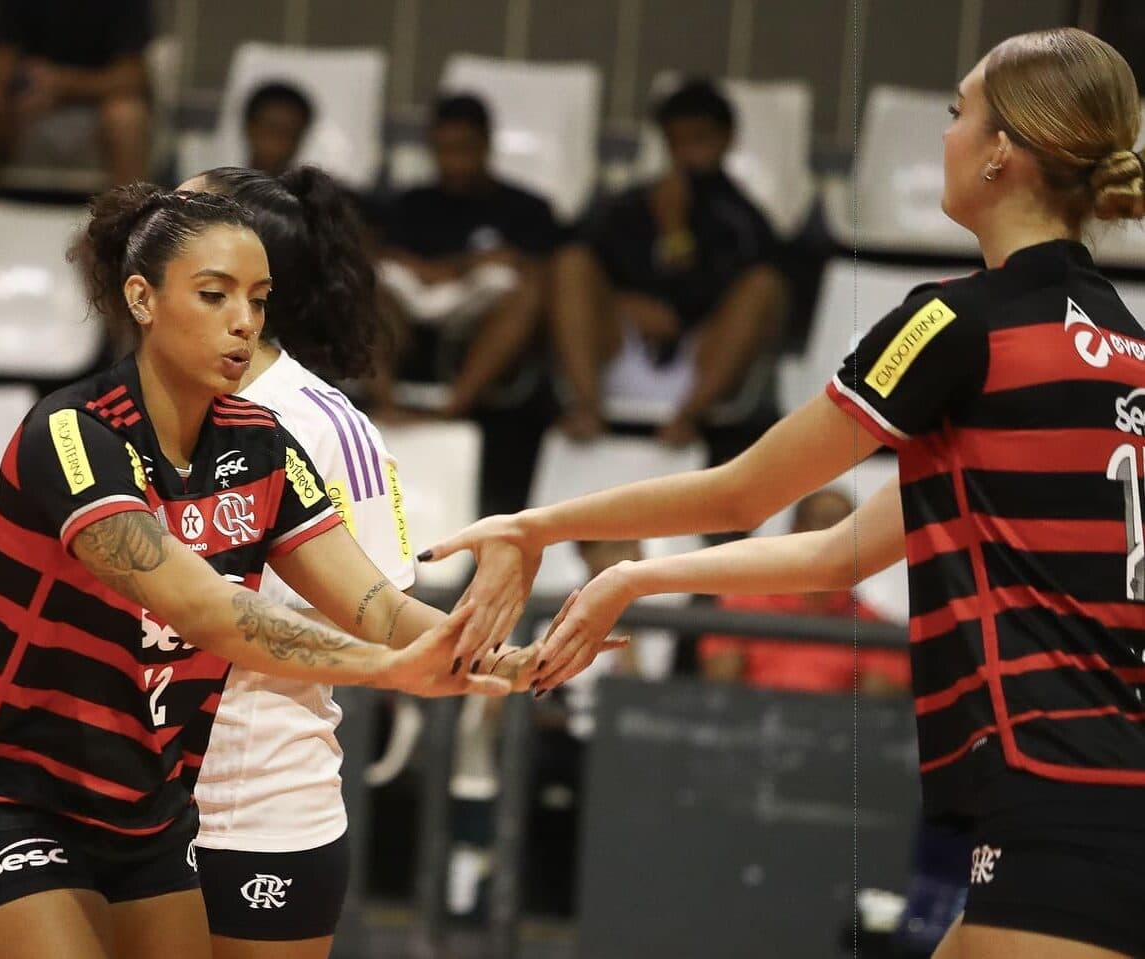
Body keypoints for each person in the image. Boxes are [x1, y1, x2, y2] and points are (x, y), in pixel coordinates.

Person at [424, 28, 1145, 958]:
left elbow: (743, 491)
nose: (947, 134)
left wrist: (536, 522)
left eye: (957, 112)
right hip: (1099, 782)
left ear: (1003, 151)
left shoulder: (954, 323)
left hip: (1056, 788)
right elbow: (832, 552)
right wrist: (627, 581)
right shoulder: (1124, 344)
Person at [0, 183, 509, 959]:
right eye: (214, 295)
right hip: (8, 788)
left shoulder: (263, 442)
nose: (243, 322)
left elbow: (377, 605)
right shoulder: (73, 433)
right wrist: (390, 668)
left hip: (145, 798)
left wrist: (489, 648)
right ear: (142, 299)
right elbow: (205, 610)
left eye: (257, 300)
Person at [174, 166, 569, 959]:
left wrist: (490, 655)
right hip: (124, 796)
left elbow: (382, 610)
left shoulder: (322, 426)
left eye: (172, 218)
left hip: (253, 800)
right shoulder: (125, 407)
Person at [551, 78, 788, 446]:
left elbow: (738, 302)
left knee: (764, 286)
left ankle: (687, 420)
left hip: (699, 365)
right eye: (678, 142)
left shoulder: (745, 221)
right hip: (624, 348)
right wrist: (621, 304)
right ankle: (585, 407)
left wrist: (675, 230)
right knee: (571, 262)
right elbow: (589, 268)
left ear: (727, 139)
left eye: (700, 139)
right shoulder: (631, 205)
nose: (688, 154)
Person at [376, 94, 563, 419]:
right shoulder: (409, 203)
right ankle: (386, 406)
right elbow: (388, 256)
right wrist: (444, 268)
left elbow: (539, 270)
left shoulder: (527, 208)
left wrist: (461, 269)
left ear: (486, 144)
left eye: (464, 149)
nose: (454, 162)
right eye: (444, 150)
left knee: (525, 292)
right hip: (412, 312)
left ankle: (454, 408)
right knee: (359, 287)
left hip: (483, 315)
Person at [0, 0, 154, 217]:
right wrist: (29, 87)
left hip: (99, 105)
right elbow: (1, 67)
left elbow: (133, 77)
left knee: (129, 118)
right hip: (25, 104)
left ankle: (130, 240)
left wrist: (65, 84)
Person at [698, 489, 910, 695]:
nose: (833, 540)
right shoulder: (740, 608)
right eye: (821, 524)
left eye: (847, 531)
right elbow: (721, 697)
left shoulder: (877, 630)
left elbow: (873, 718)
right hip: (748, 726)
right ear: (794, 531)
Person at [243, 83, 314, 178]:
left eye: (291, 133)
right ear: (250, 128)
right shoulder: (221, 188)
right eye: (271, 127)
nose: (279, 139)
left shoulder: (315, 191)